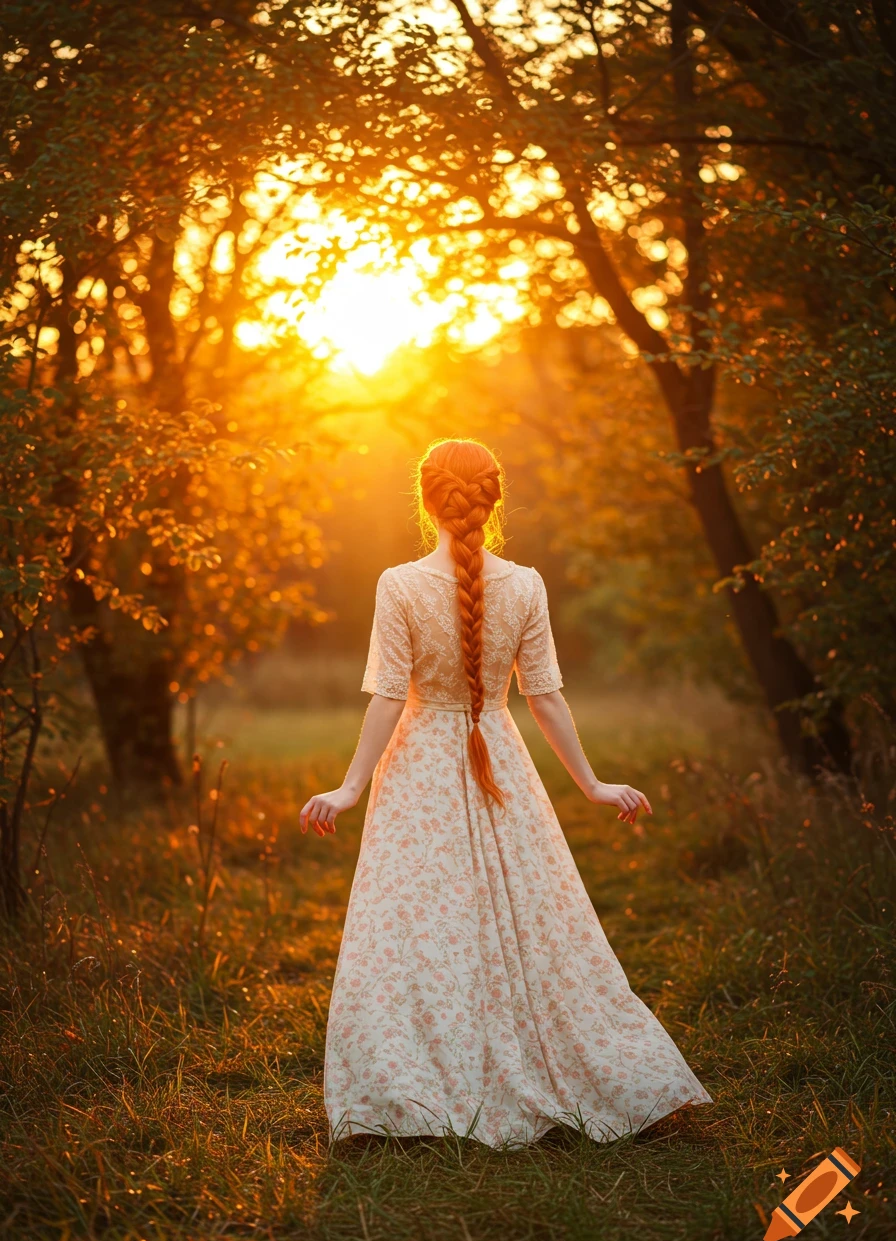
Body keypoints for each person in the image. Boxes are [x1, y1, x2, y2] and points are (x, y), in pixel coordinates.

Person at [301, 438, 712, 1148]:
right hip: (504, 765)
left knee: (416, 928)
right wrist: (590, 783)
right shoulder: (526, 583)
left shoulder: (398, 584)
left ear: (427, 499)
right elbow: (545, 699)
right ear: (493, 500)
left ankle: (416, 1080)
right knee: (531, 925)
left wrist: (349, 787)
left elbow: (388, 700)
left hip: (419, 772)